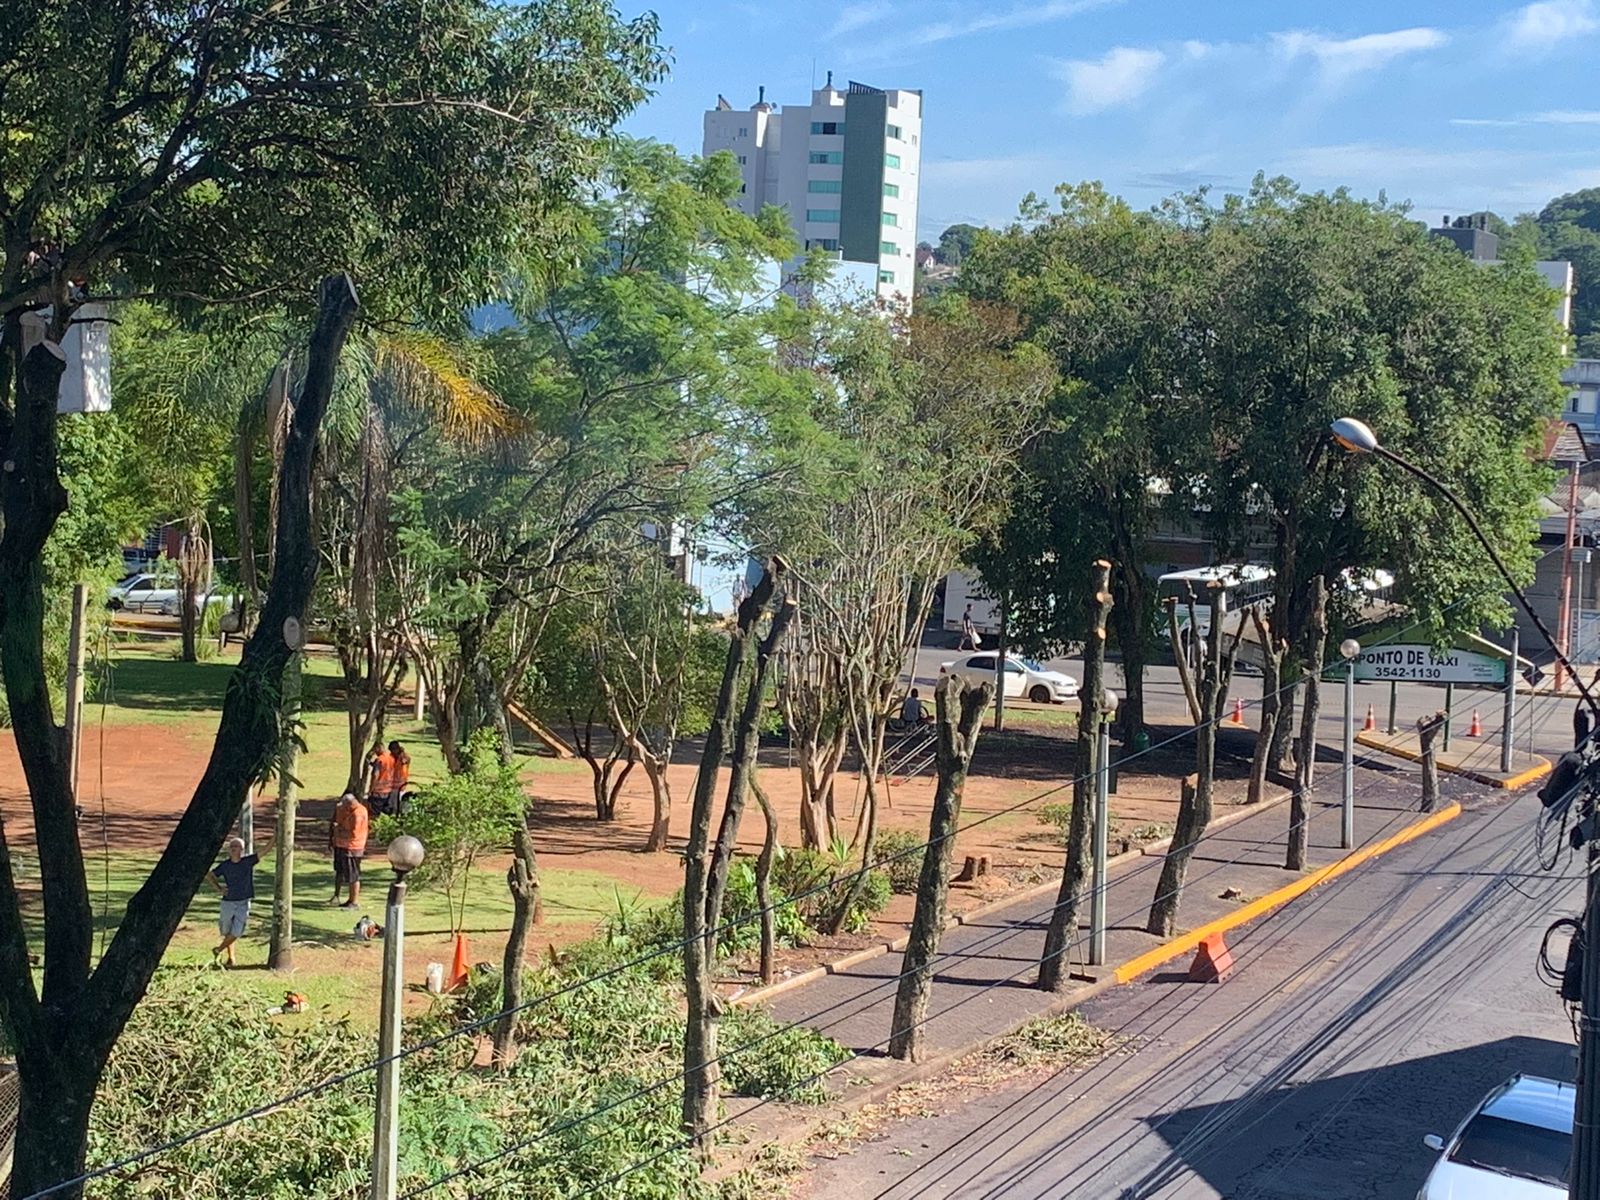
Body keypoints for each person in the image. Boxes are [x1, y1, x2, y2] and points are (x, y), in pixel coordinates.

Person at [208, 837, 259, 968]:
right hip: (228, 902)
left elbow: (264, 851)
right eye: (231, 846)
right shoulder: (225, 865)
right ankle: (231, 958)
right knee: (227, 931)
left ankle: (218, 950)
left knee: (236, 932)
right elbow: (210, 875)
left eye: (236, 846)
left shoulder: (248, 862)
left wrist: (275, 838)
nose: (233, 848)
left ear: (242, 849)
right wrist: (219, 888)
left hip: (243, 901)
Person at [330, 792, 370, 909]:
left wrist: (339, 829)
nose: (344, 808)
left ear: (351, 803)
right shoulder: (350, 810)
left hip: (352, 848)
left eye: (346, 806)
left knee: (353, 875)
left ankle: (354, 902)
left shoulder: (358, 814)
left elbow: (353, 833)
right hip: (343, 845)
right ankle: (348, 899)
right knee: (342, 872)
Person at [366, 742, 396, 816]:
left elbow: (376, 775)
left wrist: (371, 790)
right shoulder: (391, 758)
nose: (375, 753)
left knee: (375, 812)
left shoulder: (379, 760)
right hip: (388, 789)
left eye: (375, 750)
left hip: (378, 791)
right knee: (385, 812)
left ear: (378, 748)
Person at [387, 740, 411, 813]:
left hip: (401, 784)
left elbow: (407, 760)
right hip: (393, 784)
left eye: (393, 750)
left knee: (399, 803)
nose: (392, 752)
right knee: (392, 803)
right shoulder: (392, 756)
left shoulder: (403, 756)